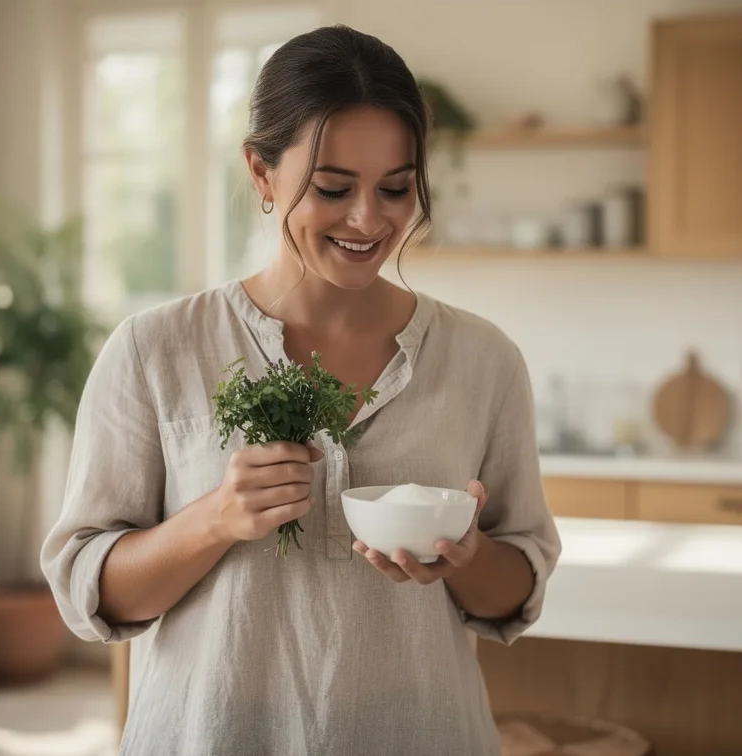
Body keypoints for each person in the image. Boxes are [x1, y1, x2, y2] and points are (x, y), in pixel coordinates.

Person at [40, 24, 561, 756]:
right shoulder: (156, 350)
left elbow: (516, 590)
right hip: (213, 736)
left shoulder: (483, 360)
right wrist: (217, 519)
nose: (368, 219)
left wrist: (468, 556)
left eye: (396, 188)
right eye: (332, 187)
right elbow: (90, 594)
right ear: (261, 173)